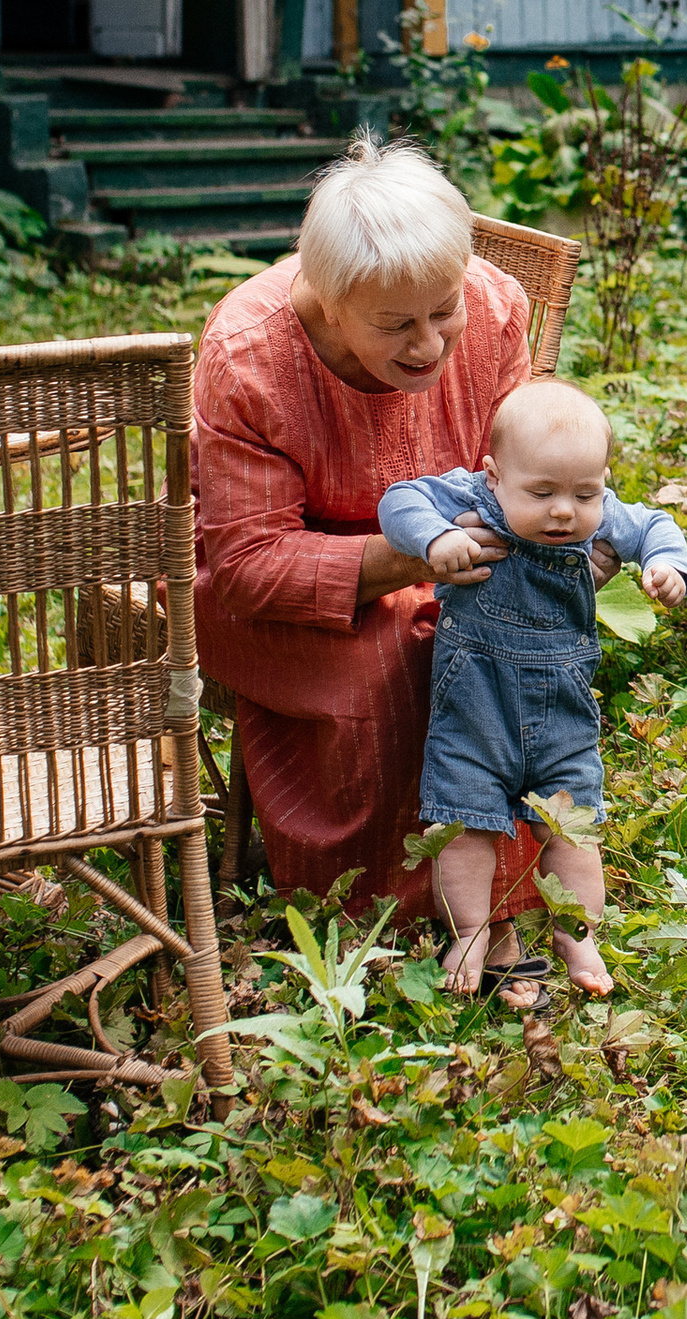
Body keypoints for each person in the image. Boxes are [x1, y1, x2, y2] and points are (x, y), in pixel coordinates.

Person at [192, 132, 546, 958]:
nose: (429, 345)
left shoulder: (493, 308)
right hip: (291, 584)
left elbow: (523, 462)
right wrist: (410, 563)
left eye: (442, 310)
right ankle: (372, 919)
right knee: (387, 665)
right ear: (327, 297)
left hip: (457, 559)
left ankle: (496, 911)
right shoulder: (250, 356)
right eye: (395, 326)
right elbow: (247, 566)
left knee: (502, 648)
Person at [377, 379, 687, 995]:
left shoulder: (599, 515)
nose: (564, 512)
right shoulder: (471, 499)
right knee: (465, 828)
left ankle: (578, 933)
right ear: (493, 476)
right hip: (474, 711)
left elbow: (655, 523)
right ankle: (469, 932)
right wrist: (437, 539)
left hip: (563, 722)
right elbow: (400, 500)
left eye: (585, 493)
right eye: (542, 492)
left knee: (573, 833)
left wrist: (666, 565)